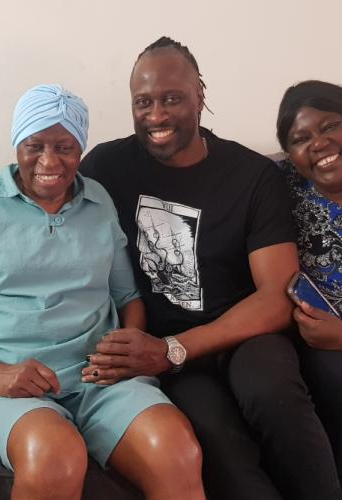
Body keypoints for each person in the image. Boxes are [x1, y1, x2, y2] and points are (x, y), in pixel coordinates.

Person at [0, 84, 206, 500]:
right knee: (53, 455)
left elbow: (127, 297)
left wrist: (128, 345)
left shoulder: (98, 201)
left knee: (176, 450)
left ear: (81, 150)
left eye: (65, 147)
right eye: (34, 146)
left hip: (99, 379)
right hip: (3, 381)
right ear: (17, 145)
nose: (49, 161)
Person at [80, 36, 342, 500]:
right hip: (167, 351)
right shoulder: (107, 165)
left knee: (272, 393)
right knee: (215, 436)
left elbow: (275, 296)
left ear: (200, 94)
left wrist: (173, 350)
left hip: (246, 336)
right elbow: (51, 213)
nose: (156, 115)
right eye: (143, 102)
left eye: (172, 99)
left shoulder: (252, 176)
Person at [276, 79, 342, 480]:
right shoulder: (282, 187)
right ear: (290, 155)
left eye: (330, 126)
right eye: (301, 139)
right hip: (316, 342)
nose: (318, 143)